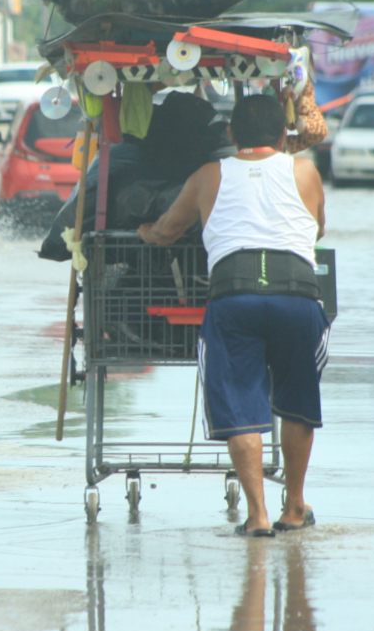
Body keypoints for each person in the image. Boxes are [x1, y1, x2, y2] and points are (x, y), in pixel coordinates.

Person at [138, 93, 329, 538]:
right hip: (297, 297)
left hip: (234, 297)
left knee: (243, 405)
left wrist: (145, 231)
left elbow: (167, 231)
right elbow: (318, 227)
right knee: (298, 404)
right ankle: (295, 506)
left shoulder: (208, 175)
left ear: (229, 136)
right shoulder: (305, 171)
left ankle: (258, 516)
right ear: (284, 135)